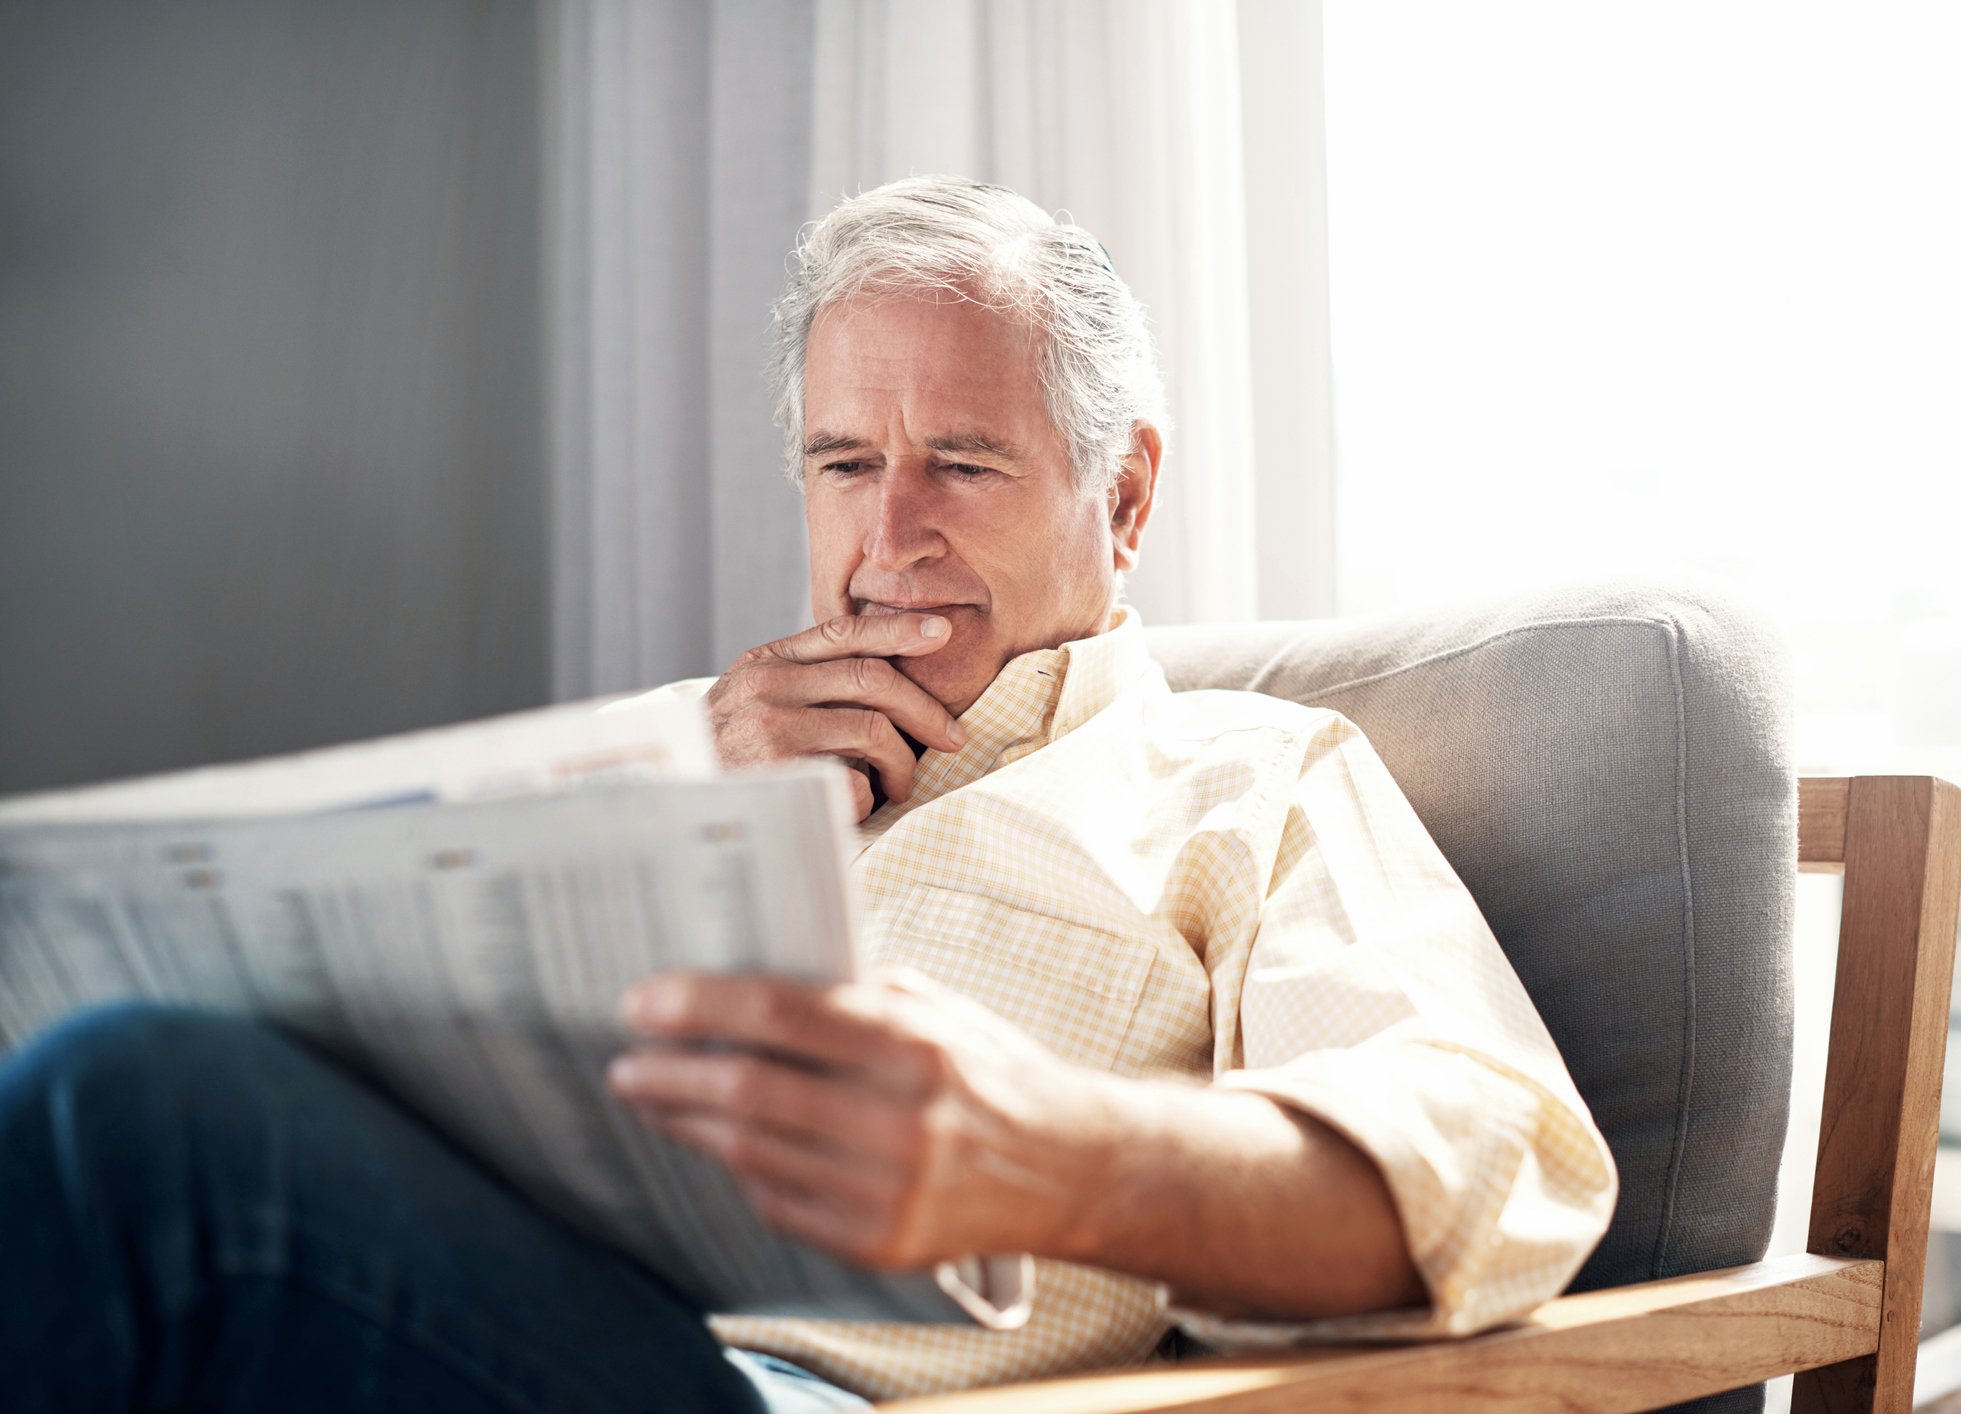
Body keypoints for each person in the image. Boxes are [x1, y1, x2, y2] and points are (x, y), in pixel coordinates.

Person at [0, 176, 1616, 1412]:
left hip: (802, 1392)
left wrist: (1046, 1154)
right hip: (469, 1311)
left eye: (963, 463)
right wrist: (681, 782)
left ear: (1121, 495)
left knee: (125, 1110)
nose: (890, 534)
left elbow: (1496, 1160)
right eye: (846, 464)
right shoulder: (668, 744)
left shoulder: (1241, 781)